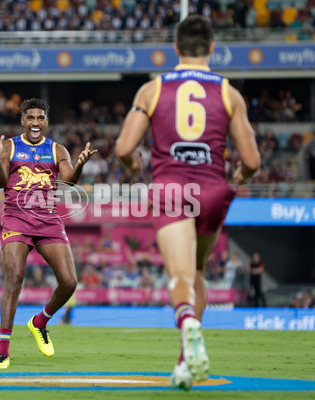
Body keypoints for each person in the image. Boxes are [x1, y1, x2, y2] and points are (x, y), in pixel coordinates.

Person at [115, 14, 260, 390]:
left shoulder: (152, 90)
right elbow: (253, 162)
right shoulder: (230, 94)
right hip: (212, 192)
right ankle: (184, 363)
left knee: (180, 277)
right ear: (212, 48)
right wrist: (235, 181)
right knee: (197, 271)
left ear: (175, 49)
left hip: (173, 190)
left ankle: (188, 325)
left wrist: (136, 165)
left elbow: (124, 149)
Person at [0, 98, 97, 369]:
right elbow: (1, 182)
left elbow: (69, 180)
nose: (35, 123)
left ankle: (40, 322)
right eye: (30, 118)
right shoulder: (10, 146)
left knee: (70, 282)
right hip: (16, 218)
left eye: (40, 118)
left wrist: (81, 163)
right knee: (14, 277)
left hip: (48, 219)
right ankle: (3, 352)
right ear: (23, 121)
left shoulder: (57, 149)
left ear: (46, 121)